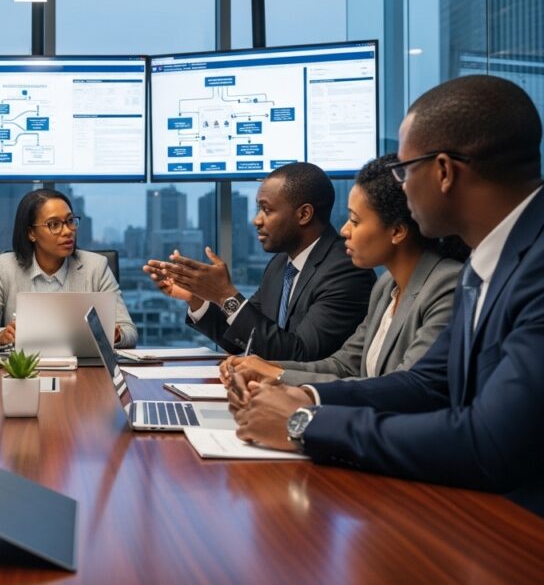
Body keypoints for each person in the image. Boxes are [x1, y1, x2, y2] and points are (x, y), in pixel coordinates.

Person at [232, 75, 544, 516]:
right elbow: (426, 383)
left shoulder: (531, 267)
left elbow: (491, 440)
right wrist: (307, 399)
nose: (399, 183)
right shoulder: (486, 261)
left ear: (443, 172)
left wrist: (305, 422)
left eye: (403, 169)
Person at [219, 154, 465, 386]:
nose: (345, 230)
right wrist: (268, 369)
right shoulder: (387, 285)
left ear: (397, 231)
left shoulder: (446, 286)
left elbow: (405, 388)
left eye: (355, 221)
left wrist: (286, 381)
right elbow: (346, 364)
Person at [144, 162, 375, 361]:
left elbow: (301, 355)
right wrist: (196, 298)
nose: (256, 220)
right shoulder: (280, 266)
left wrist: (225, 294)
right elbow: (243, 339)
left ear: (304, 214)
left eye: (267, 210)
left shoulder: (346, 270)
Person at [0, 188, 137, 347]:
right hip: (25, 374)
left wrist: (116, 335)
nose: (67, 231)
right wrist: (1, 336)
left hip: (84, 371)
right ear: (31, 233)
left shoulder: (95, 267)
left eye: (70, 221)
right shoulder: (4, 267)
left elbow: (129, 331)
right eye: (54, 224)